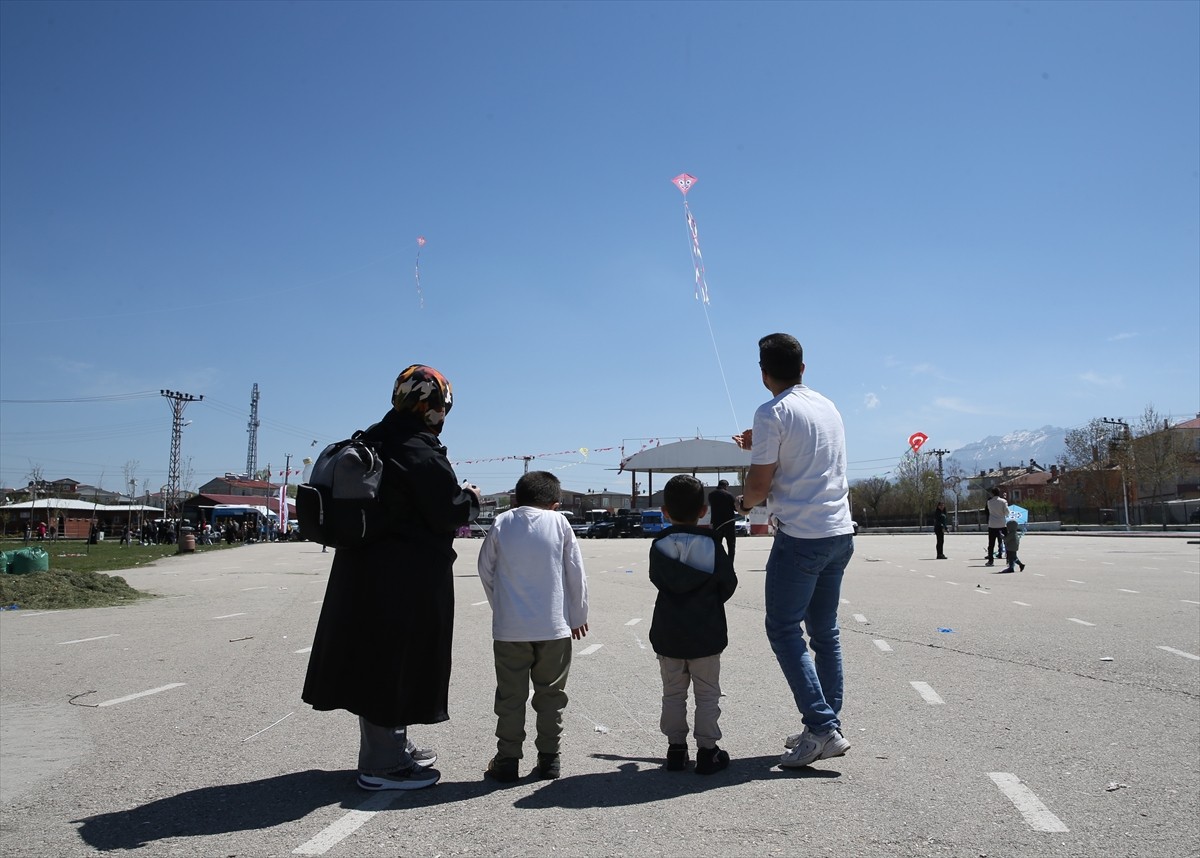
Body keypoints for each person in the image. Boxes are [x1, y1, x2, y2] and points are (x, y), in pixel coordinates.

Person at [302, 364, 481, 791]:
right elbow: (447, 509)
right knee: (396, 660)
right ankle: (382, 765)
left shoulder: (375, 437)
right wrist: (470, 498)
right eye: (440, 406)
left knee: (377, 657)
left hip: (364, 569)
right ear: (432, 407)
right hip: (406, 577)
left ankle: (390, 745)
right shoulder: (416, 448)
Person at [732, 333, 855, 769]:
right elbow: (808, 455)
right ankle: (827, 725)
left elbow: (761, 484)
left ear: (763, 373)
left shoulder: (771, 412)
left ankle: (821, 727)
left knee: (783, 629)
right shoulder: (827, 406)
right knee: (826, 635)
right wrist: (759, 443)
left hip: (801, 536)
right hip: (839, 532)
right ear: (803, 368)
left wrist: (743, 504)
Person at [476, 471, 589, 783]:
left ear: (516, 498)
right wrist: (578, 615)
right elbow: (575, 571)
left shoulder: (502, 522)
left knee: (511, 697)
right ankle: (549, 759)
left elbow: (485, 567)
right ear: (554, 503)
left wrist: (500, 605)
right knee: (551, 696)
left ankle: (508, 759)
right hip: (554, 627)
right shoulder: (561, 523)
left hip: (510, 629)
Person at [649, 474, 737, 775]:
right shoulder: (712, 544)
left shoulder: (659, 544)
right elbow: (728, 583)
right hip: (707, 631)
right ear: (703, 510)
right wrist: (709, 600)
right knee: (708, 693)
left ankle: (676, 748)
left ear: (665, 512)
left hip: (669, 631)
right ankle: (707, 750)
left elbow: (658, 579)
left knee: (673, 692)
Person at [707, 479, 738, 562]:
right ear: (726, 486)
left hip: (716, 523)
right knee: (731, 546)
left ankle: (717, 565)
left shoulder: (711, 495)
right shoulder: (729, 495)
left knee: (717, 545)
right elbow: (736, 509)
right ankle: (730, 565)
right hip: (729, 523)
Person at [985, 488, 1009, 567]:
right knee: (1006, 542)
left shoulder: (989, 502)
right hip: (1002, 524)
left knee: (991, 544)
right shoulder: (1003, 501)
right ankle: (1008, 559)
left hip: (992, 524)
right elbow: (1007, 512)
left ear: (992, 493)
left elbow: (989, 510)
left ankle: (990, 560)